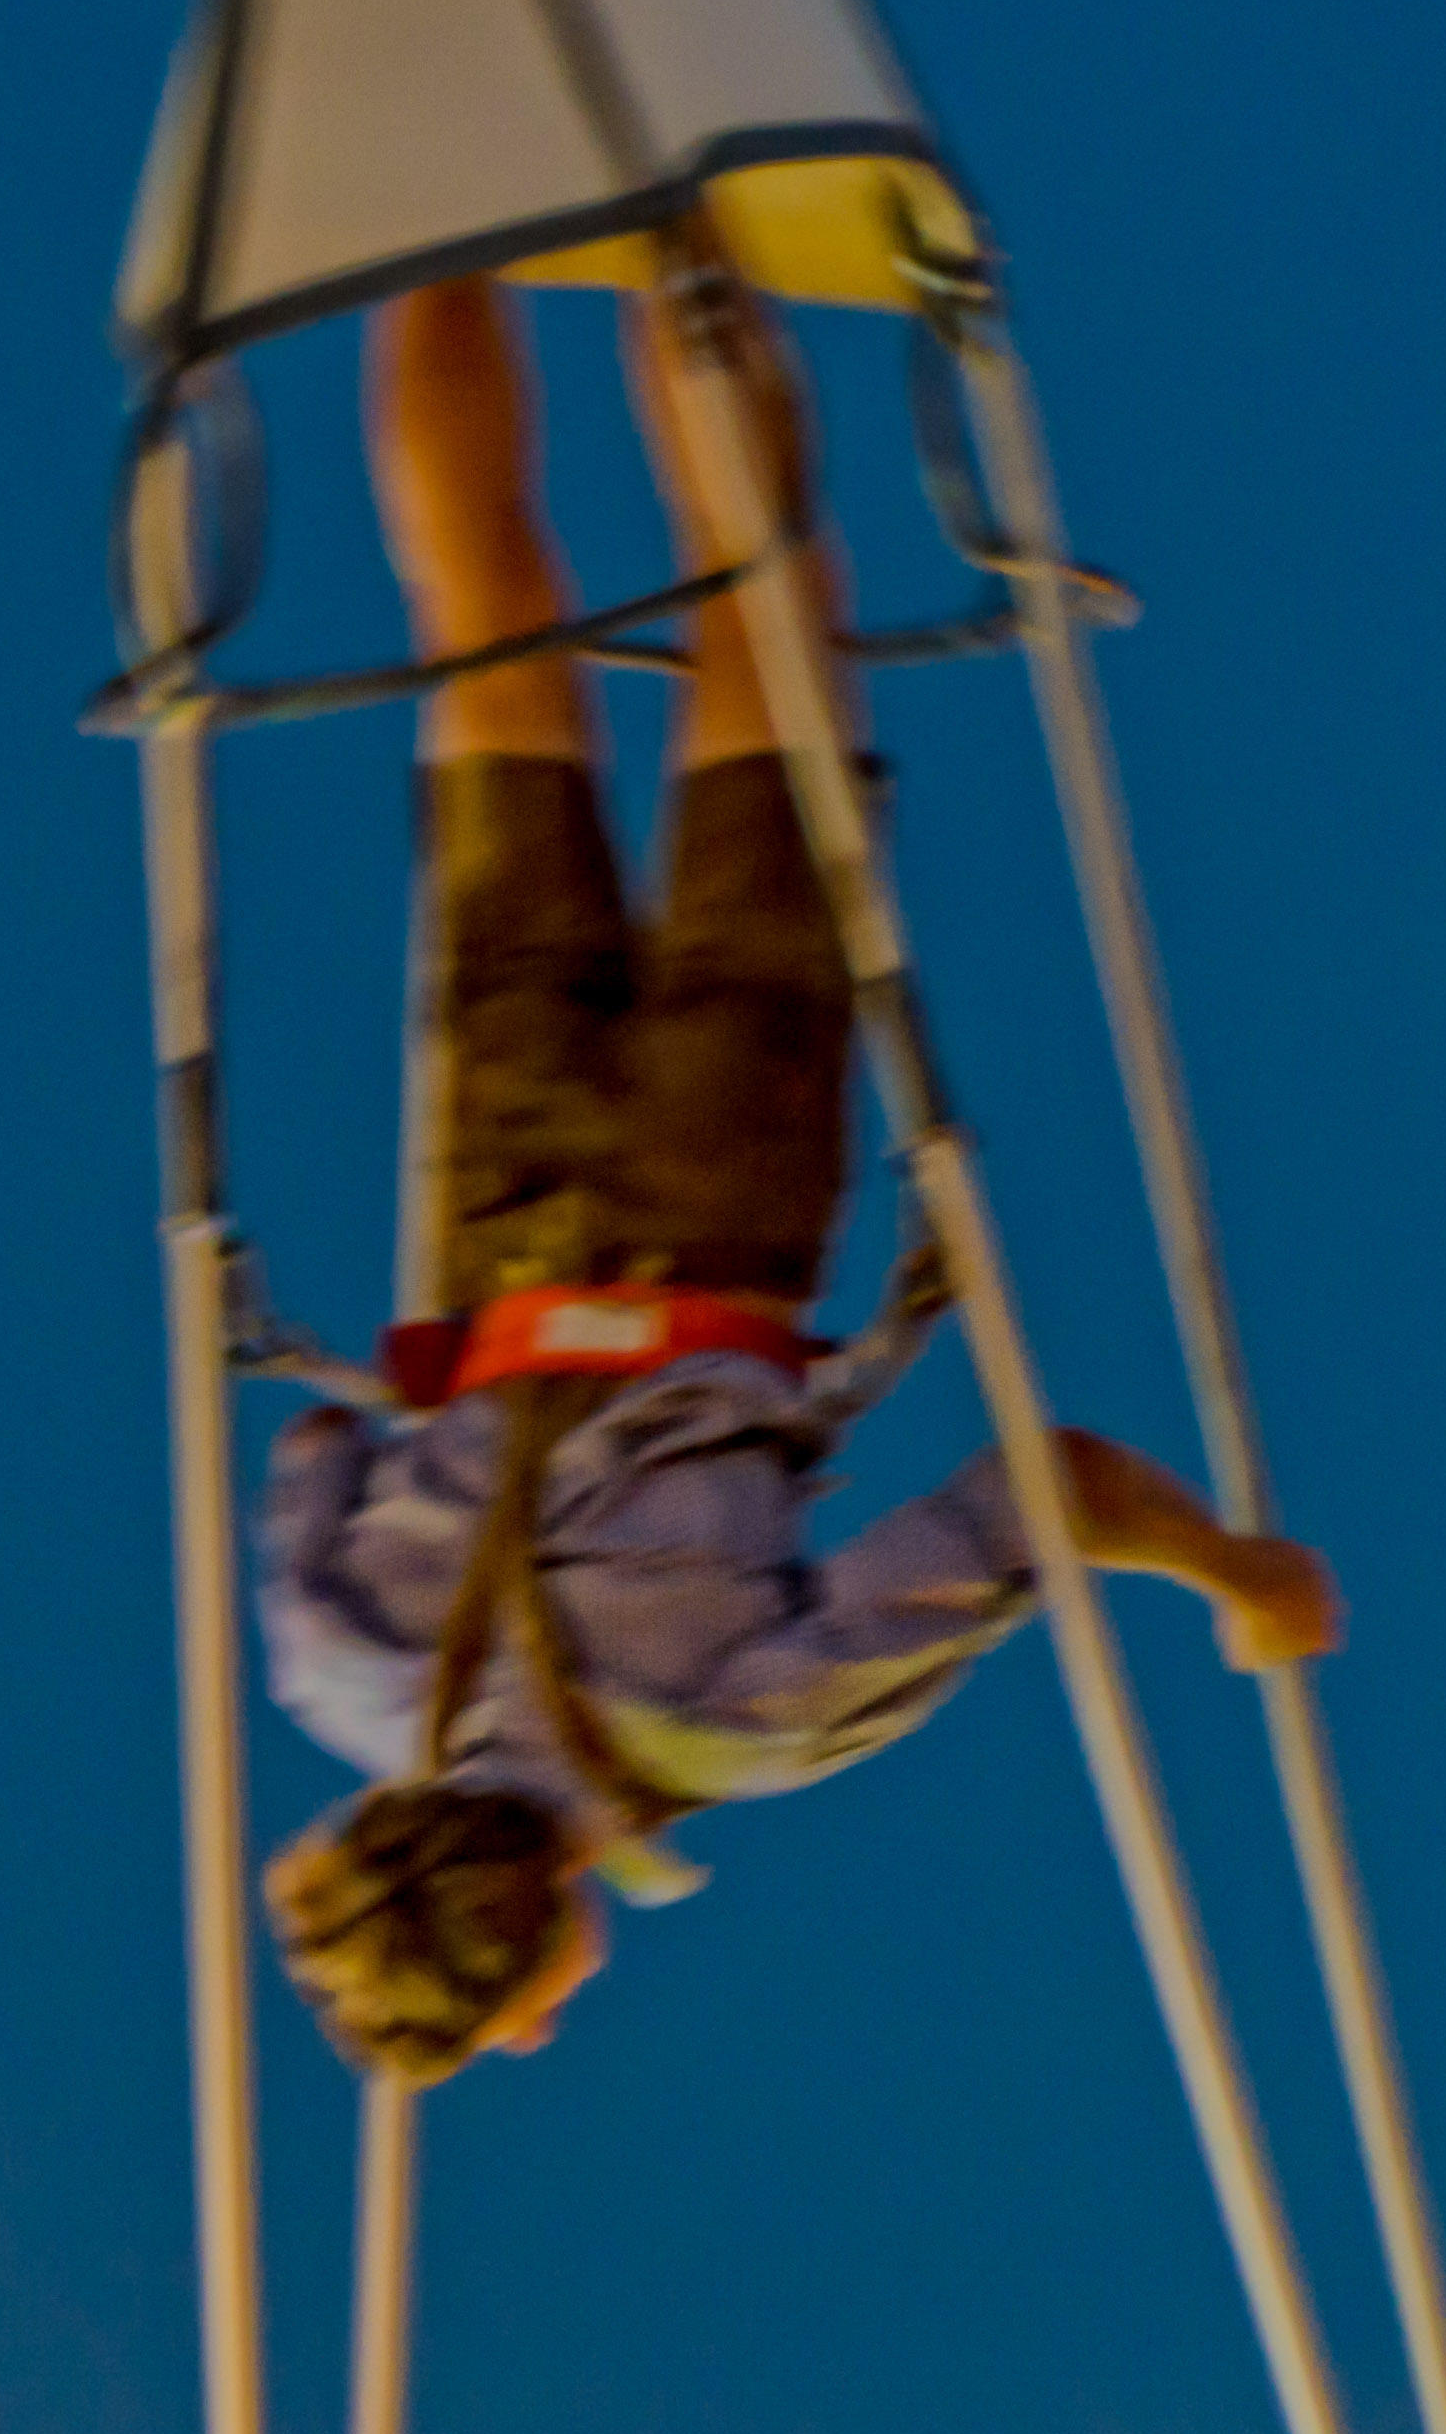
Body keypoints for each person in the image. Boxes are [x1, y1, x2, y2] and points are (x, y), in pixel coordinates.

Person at [253, 260, 1341, 2085]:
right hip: (501, 1212)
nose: (537, 2034)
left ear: (535, 1945)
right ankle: (432, 230)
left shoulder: (734, 1729)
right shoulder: (329, 1670)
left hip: (724, 1204)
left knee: (773, 631)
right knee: (485, 628)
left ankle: (690, 258)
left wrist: (1237, 1574)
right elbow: (312, 1457)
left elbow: (1045, 1494)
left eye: (512, 2019)